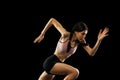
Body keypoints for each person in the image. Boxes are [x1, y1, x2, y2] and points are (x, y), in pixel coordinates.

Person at [33, 17, 109, 80]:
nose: (84, 36)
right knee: (75, 72)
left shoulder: (81, 42)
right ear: (76, 32)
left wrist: (99, 40)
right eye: (82, 34)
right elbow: (52, 20)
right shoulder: (66, 35)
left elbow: (91, 53)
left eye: (85, 34)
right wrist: (42, 34)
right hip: (51, 62)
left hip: (57, 65)